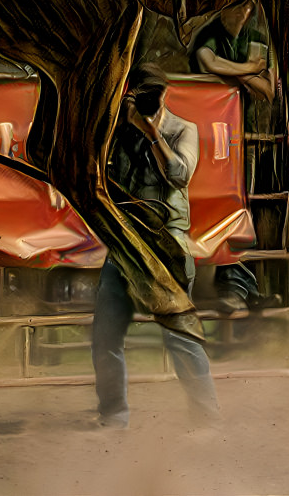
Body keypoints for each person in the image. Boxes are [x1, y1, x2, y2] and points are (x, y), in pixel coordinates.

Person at [92, 64, 220, 428]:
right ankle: (113, 416)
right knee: (105, 334)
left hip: (168, 246)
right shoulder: (116, 132)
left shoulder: (183, 130)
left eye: (153, 96)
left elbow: (180, 174)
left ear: (165, 95)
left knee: (182, 338)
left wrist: (151, 134)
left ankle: (207, 420)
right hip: (126, 246)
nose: (149, 104)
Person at [190, 0, 281, 313]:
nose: (242, 12)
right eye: (236, 6)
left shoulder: (254, 35)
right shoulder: (210, 34)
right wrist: (248, 71)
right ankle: (224, 289)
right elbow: (207, 64)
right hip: (208, 141)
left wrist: (232, 75)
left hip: (240, 143)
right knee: (215, 212)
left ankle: (241, 289)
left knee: (240, 213)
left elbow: (267, 89)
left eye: (247, 6)